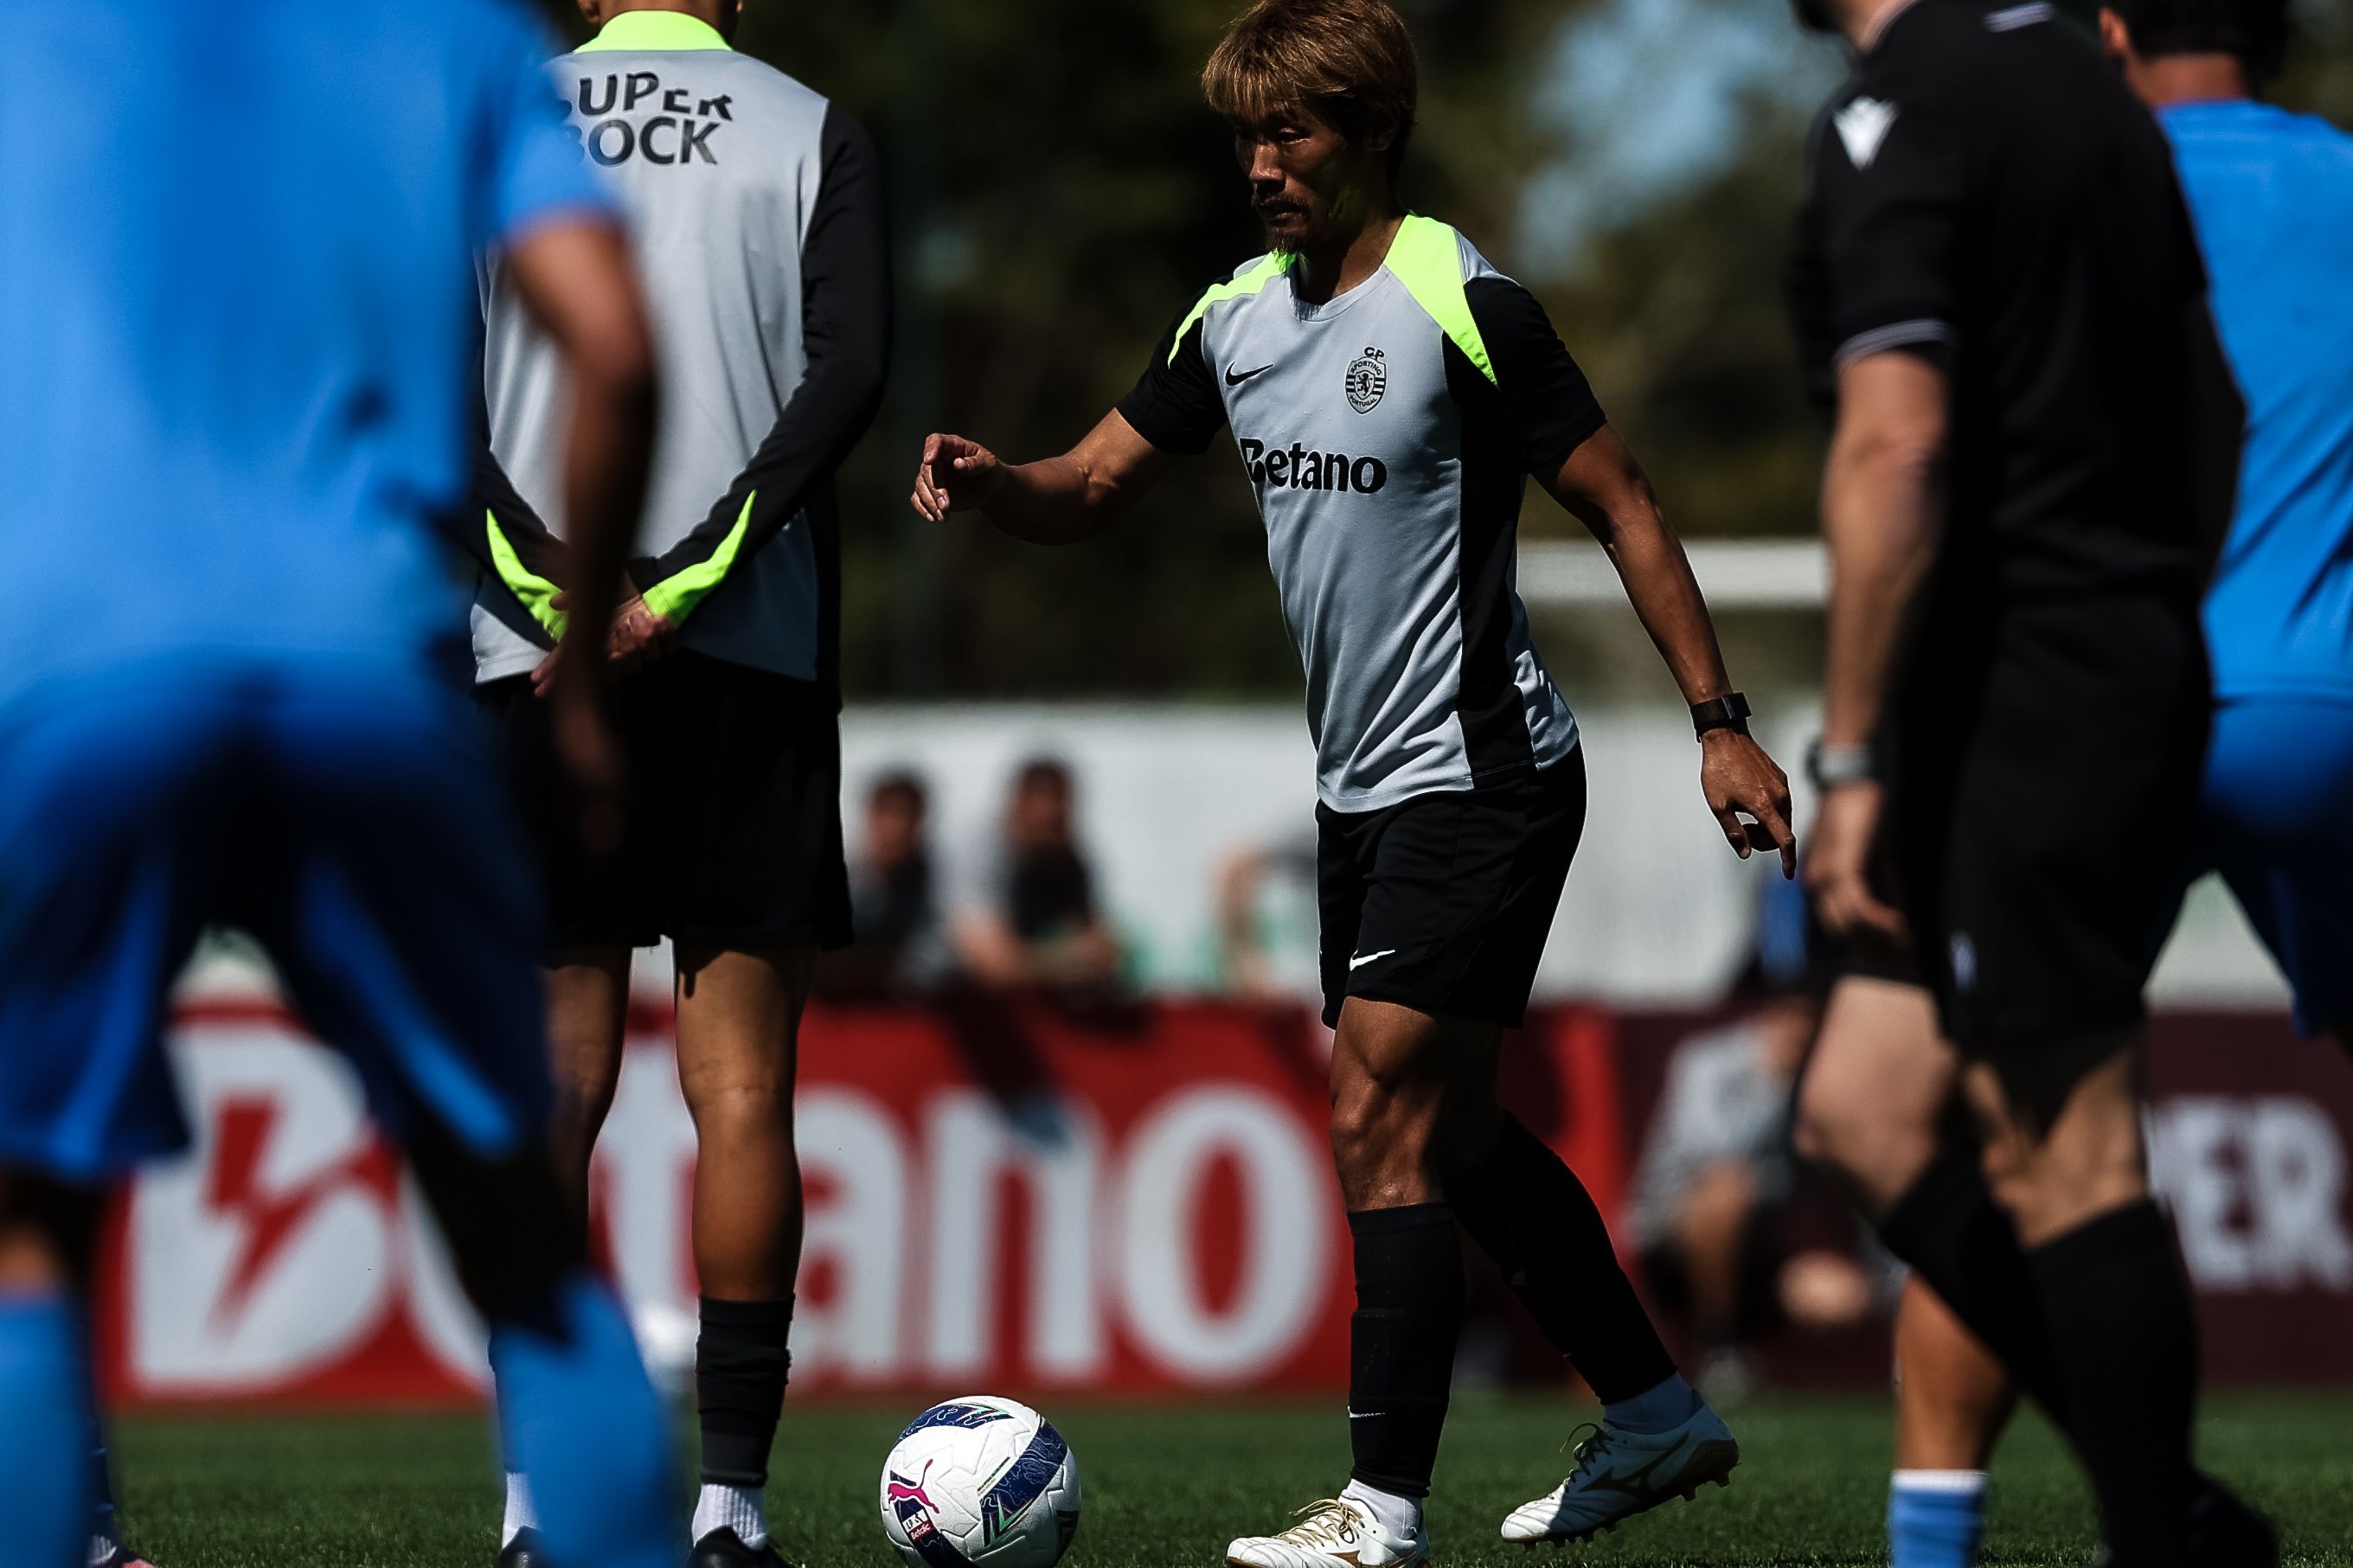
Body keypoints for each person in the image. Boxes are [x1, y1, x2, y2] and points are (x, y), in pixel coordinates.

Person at [912, 1, 1798, 1558]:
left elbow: (1628, 501)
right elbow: (1097, 481)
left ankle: (1379, 1514)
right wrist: (1000, 483)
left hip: (1489, 769)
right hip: (1362, 796)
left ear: (1370, 132)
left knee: (1371, 1108)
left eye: (1292, 132)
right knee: (1449, 1141)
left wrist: (1717, 718)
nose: (1261, 163)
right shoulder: (1233, 318)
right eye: (1246, 135)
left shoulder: (1464, 300)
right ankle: (1657, 1411)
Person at [0, 3, 672, 1568]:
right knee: (520, 1241)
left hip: (84, 662)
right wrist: (577, 665)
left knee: (30, 1237)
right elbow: (619, 352)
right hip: (371, 658)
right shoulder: (455, 35)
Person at [1781, 1, 2269, 1565]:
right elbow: (2219, 415)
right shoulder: (2088, 85)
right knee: (1862, 1109)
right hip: (2067, 671)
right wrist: (2145, 618)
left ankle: (2158, 1533)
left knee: (2066, 1145)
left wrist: (1850, 752)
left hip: (2025, 693)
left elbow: (1893, 448)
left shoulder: (1904, 106)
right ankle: (2179, 1509)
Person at [1872, 3, 2351, 1563]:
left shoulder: (2073, 179)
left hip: (2108, 699)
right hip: (2335, 704)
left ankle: (1938, 1537)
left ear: (2112, 27)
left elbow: (1945, 446)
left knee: (2027, 1139)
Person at [471, 2, 890, 1564]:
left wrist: (565, 594)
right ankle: (729, 1509)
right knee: (744, 1093)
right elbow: (851, 378)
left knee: (550, 1092)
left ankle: (534, 1511)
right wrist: (694, 579)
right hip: (754, 656)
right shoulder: (811, 120)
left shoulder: (491, 115)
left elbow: (430, 399)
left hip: (530, 655)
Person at [1627, 879, 1872, 1398]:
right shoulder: (1710, 1061)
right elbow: (1710, 1160)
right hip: (1676, 1223)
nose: (1800, 1028)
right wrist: (1771, 1087)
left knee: (1835, 1290)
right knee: (1728, 1190)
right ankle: (1720, 1346)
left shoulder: (1821, 1070)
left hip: (1765, 1237)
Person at [951, 759, 1125, 992]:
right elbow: (993, 966)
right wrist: (1071, 957)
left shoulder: (1071, 858)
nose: (1056, 819)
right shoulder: (976, 850)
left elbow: (1103, 952)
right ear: (1018, 804)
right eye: (1048, 816)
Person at [826, 772, 957, 996]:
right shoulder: (833, 873)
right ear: (870, 816)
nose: (898, 827)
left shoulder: (937, 880)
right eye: (888, 813)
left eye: (908, 815)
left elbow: (948, 951)